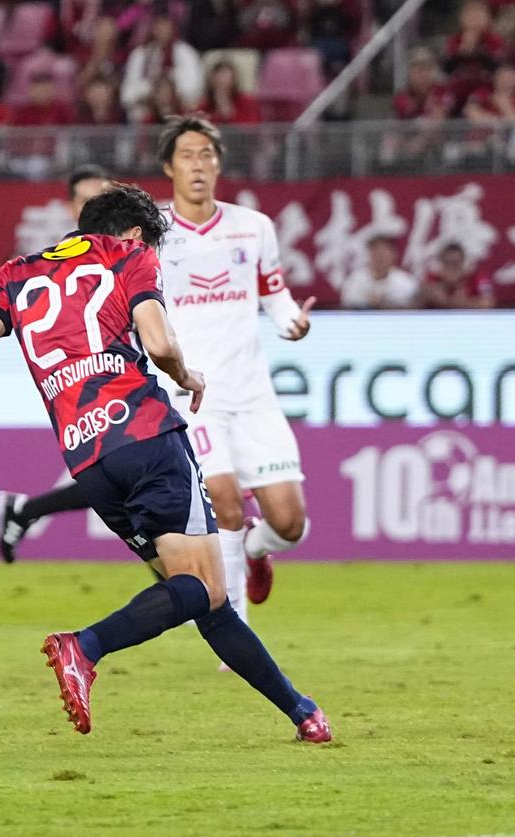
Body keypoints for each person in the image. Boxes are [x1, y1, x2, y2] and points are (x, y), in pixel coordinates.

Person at [0, 183, 331, 743]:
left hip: (88, 460)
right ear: (137, 233)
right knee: (206, 588)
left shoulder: (13, 273)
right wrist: (189, 379)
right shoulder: (128, 255)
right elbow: (159, 342)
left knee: (197, 596)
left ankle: (301, 711)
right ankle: (84, 647)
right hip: (146, 434)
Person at [155, 117, 317, 621]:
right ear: (169, 167)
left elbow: (275, 295)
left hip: (253, 396)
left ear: (219, 163)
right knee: (223, 503)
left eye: (207, 154)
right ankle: (237, 630)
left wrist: (294, 323)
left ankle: (255, 549)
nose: (198, 164)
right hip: (192, 395)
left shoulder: (254, 226)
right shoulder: (153, 236)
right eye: (187, 155)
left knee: (290, 523)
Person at [0, 166, 113, 562]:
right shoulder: (63, 261)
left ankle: (25, 511)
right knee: (124, 485)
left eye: (103, 197)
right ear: (70, 207)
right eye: (86, 200)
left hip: (136, 385)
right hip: (92, 389)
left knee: (121, 487)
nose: (96, 208)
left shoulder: (134, 252)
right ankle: (189, 595)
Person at [340, 235, 420, 309]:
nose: (380, 257)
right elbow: (348, 302)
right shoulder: (356, 279)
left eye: (384, 252)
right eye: (376, 251)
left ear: (394, 255)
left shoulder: (405, 281)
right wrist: (369, 302)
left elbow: (408, 308)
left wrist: (384, 303)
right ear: (370, 254)